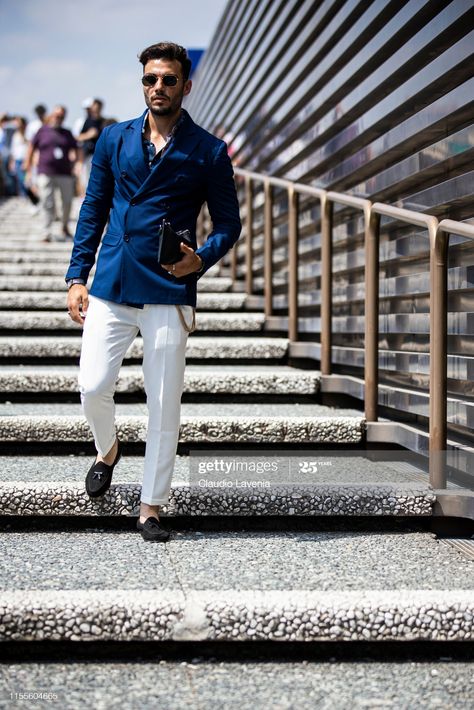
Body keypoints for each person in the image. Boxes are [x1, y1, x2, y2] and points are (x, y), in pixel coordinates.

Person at [64, 42, 241, 543]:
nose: (157, 87)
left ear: (186, 85)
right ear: (142, 83)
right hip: (114, 280)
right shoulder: (114, 139)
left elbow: (230, 223)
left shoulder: (208, 150)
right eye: (149, 79)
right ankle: (108, 449)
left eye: (167, 80)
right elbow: (93, 208)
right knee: (93, 385)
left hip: (168, 285)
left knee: (164, 403)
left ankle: (151, 506)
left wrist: (201, 259)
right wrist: (77, 276)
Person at [24, 105, 81, 241]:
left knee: (67, 202)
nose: (58, 118)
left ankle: (64, 227)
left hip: (65, 172)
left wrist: (78, 163)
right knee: (47, 202)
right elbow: (31, 147)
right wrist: (28, 165)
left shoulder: (67, 133)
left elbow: (77, 148)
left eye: (61, 116)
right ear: (51, 115)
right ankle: (46, 232)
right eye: (56, 115)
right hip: (45, 171)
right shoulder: (42, 131)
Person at [77, 98, 105, 189]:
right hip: (88, 156)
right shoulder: (87, 122)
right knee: (88, 181)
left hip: (102, 156)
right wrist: (89, 135)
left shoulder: (104, 122)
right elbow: (79, 138)